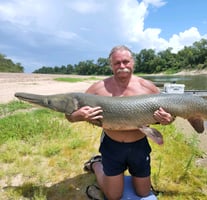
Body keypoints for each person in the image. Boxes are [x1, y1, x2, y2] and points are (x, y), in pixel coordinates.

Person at [66, 45, 174, 200]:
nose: (122, 66)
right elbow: (70, 116)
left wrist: (167, 120)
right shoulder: (97, 89)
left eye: (125, 61)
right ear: (111, 65)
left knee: (143, 193)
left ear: (133, 63)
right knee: (113, 196)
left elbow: (169, 116)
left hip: (139, 146)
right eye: (117, 63)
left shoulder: (148, 87)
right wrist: (80, 116)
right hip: (112, 146)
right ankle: (96, 164)